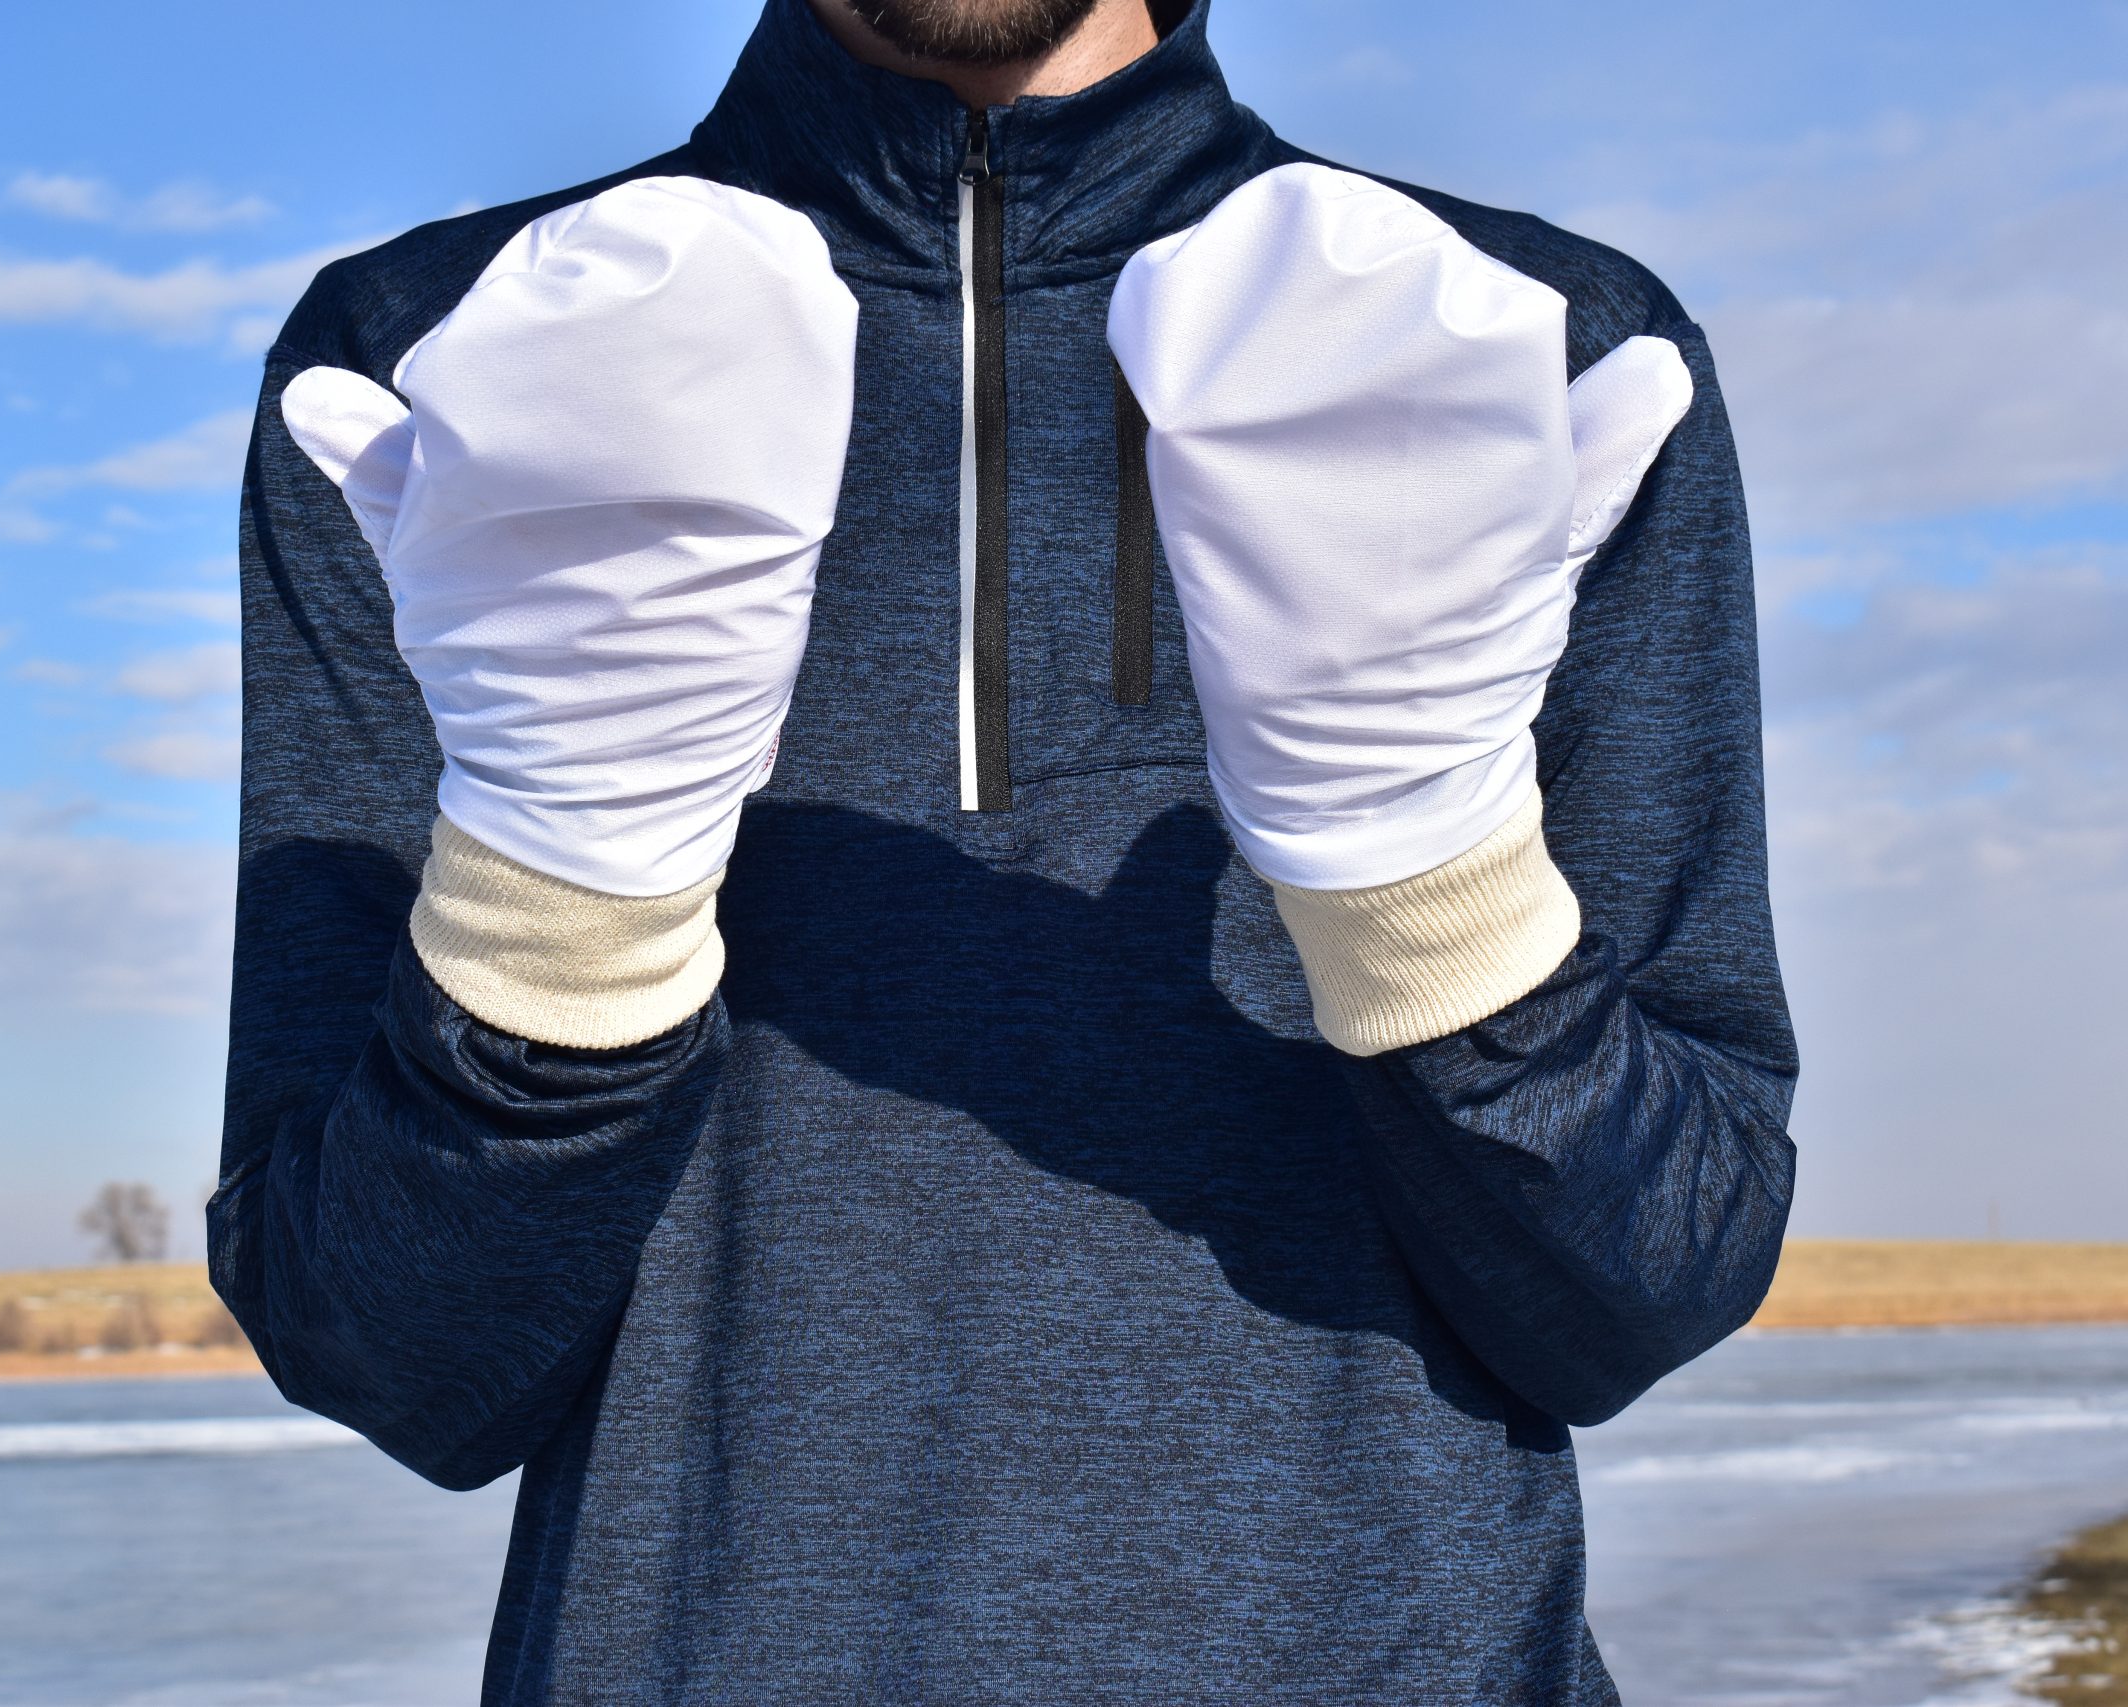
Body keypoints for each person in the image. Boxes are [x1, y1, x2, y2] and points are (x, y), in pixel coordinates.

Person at [209, 0, 1799, 1699]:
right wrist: (565, 889)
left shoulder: (1510, 352)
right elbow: (394, 1358)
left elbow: (1648, 1290)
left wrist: (1424, 866)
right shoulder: (467, 372)